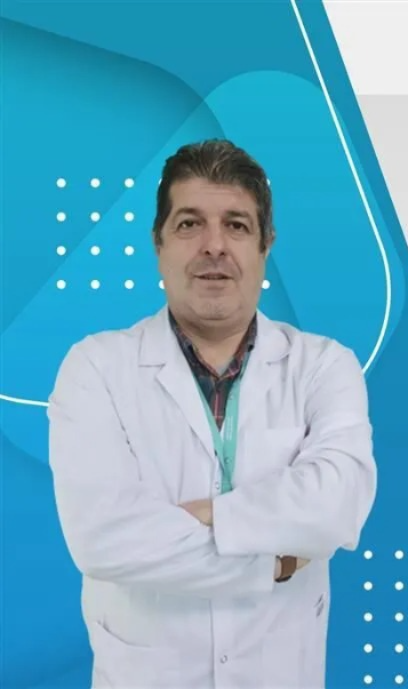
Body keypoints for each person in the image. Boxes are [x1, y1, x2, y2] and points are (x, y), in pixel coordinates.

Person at [47, 139, 377, 689]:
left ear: (266, 245)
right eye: (189, 224)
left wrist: (205, 516)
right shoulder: (95, 368)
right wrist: (275, 561)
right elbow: (102, 538)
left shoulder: (323, 366)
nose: (214, 246)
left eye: (237, 226)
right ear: (158, 244)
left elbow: (339, 505)